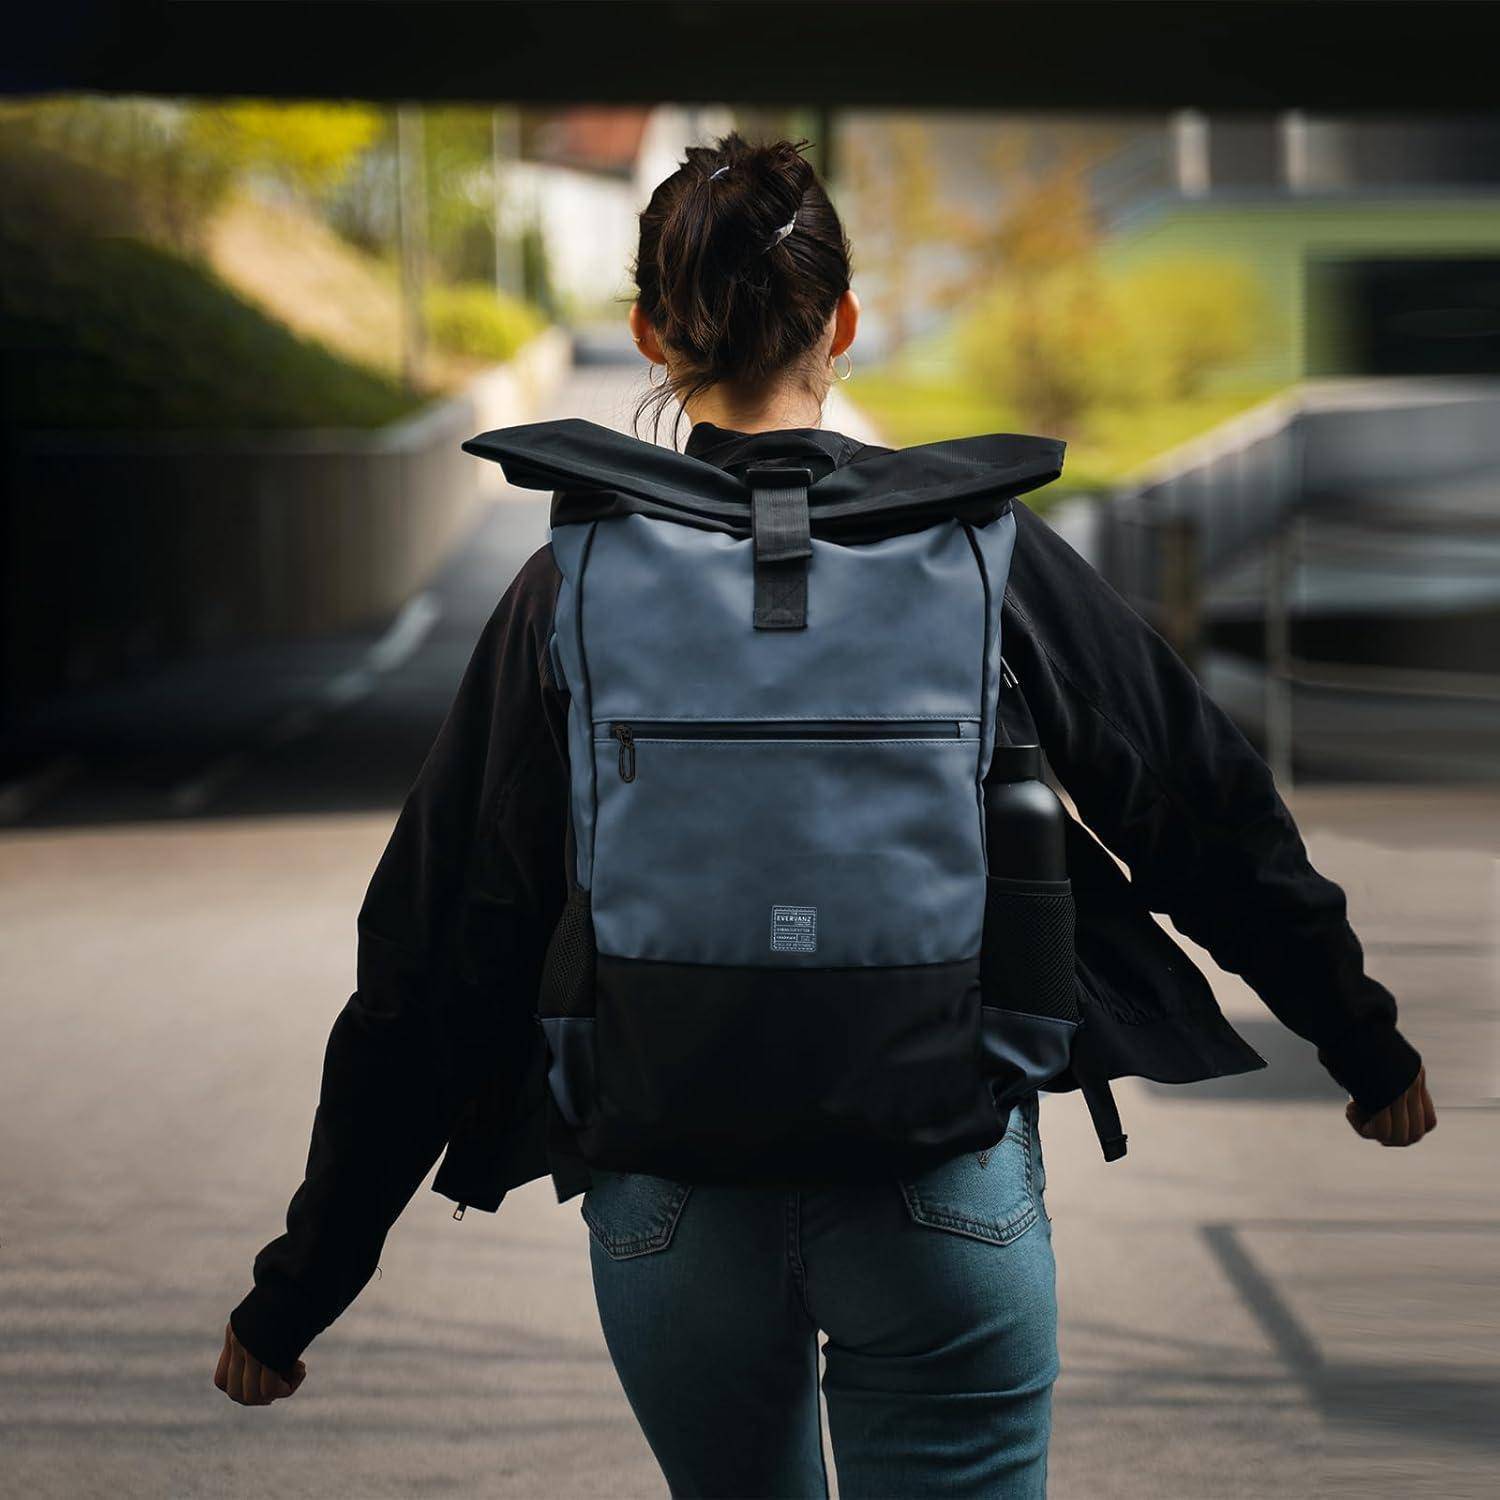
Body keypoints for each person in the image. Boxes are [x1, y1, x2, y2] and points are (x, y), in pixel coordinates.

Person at [215, 132, 1436, 1497]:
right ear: (844, 322)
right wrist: (1361, 1042)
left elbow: (435, 949)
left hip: (667, 1197)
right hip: (940, 1176)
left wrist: (298, 1290)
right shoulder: (985, 551)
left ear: (649, 332)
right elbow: (1199, 809)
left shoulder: (571, 587)